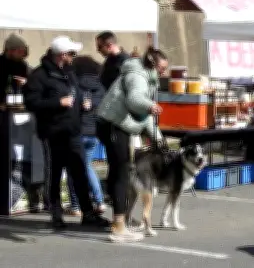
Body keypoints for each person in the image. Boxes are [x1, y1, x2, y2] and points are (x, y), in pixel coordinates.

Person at [24, 36, 110, 230]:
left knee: (79, 171)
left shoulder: (69, 73)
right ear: (62, 55)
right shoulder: (39, 76)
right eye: (72, 53)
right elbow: (31, 102)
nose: (74, 57)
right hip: (53, 133)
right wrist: (58, 103)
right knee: (55, 174)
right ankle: (56, 214)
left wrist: (83, 104)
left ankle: (87, 213)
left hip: (74, 131)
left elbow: (77, 93)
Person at [96, 46, 168, 242]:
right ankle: (119, 225)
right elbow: (136, 101)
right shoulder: (138, 77)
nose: (164, 72)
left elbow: (143, 117)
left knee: (120, 173)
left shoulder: (143, 76)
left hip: (114, 125)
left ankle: (120, 219)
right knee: (121, 173)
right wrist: (150, 105)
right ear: (152, 64)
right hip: (114, 125)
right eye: (162, 68)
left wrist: (159, 139)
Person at [65, 56, 107, 216]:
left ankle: (76, 205)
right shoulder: (101, 88)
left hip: (78, 132)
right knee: (88, 166)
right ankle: (99, 201)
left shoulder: (75, 86)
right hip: (94, 133)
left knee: (74, 169)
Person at [1, 33, 29, 104]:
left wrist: (26, 82)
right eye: (20, 51)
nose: (22, 54)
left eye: (24, 51)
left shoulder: (22, 65)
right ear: (9, 50)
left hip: (16, 102)